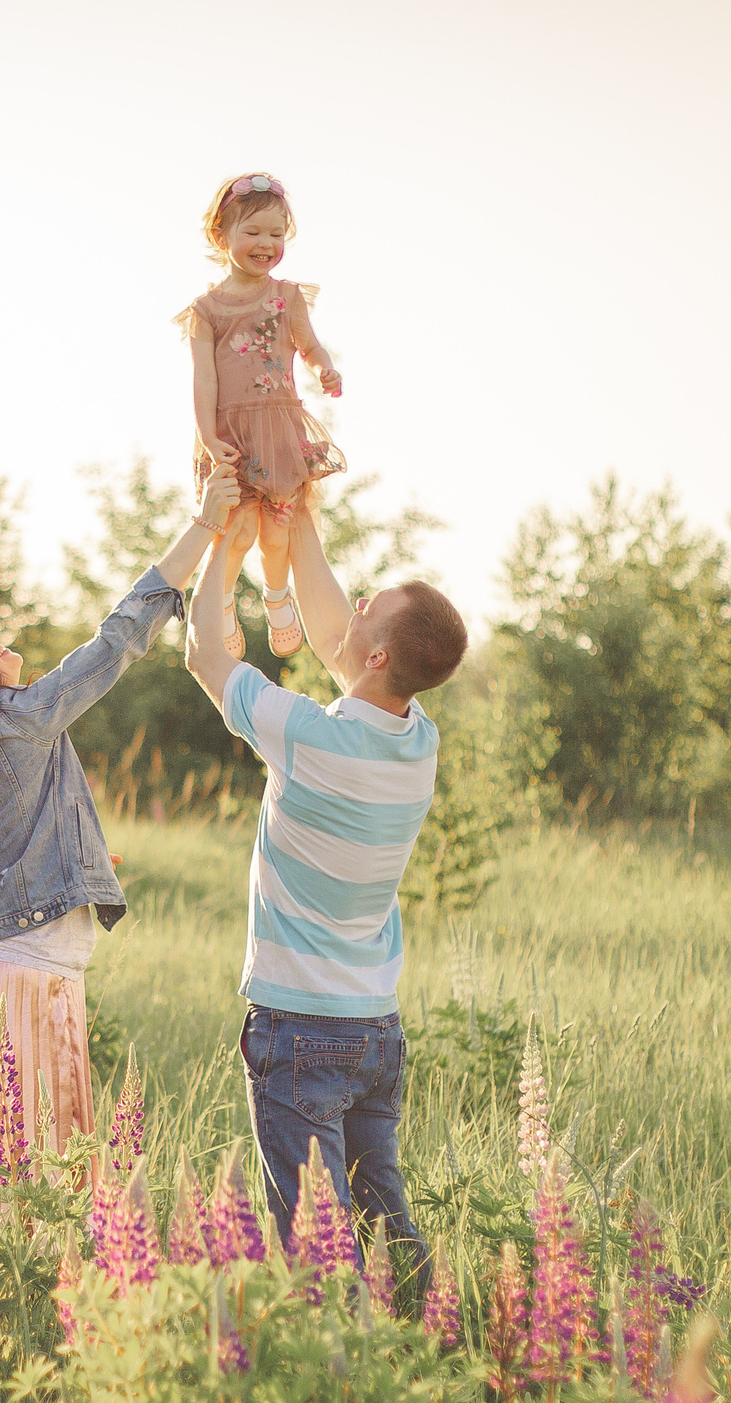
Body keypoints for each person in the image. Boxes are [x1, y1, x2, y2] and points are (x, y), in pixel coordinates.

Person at [0, 470, 245, 1165]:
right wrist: (206, 524)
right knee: (39, 1188)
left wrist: (71, 859)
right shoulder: (14, 720)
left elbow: (6, 851)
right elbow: (117, 641)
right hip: (18, 982)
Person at [183, 504, 468, 1261]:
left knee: (322, 1255)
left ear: (378, 658)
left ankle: (340, 1373)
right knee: (385, 1233)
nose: (357, 602)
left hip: (301, 1030)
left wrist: (223, 540)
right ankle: (431, 1346)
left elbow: (203, 654)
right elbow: (344, 638)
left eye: (370, 605)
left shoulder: (311, 738)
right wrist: (297, 511)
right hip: (374, 1029)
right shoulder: (418, 742)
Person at [175, 170, 346, 663]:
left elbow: (308, 345)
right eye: (252, 232)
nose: (265, 243)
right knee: (238, 530)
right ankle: (223, 602)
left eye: (276, 234)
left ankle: (277, 595)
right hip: (230, 434)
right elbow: (203, 378)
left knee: (279, 528)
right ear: (220, 235)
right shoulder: (207, 310)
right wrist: (209, 436)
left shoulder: (287, 297)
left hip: (279, 429)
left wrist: (324, 367)